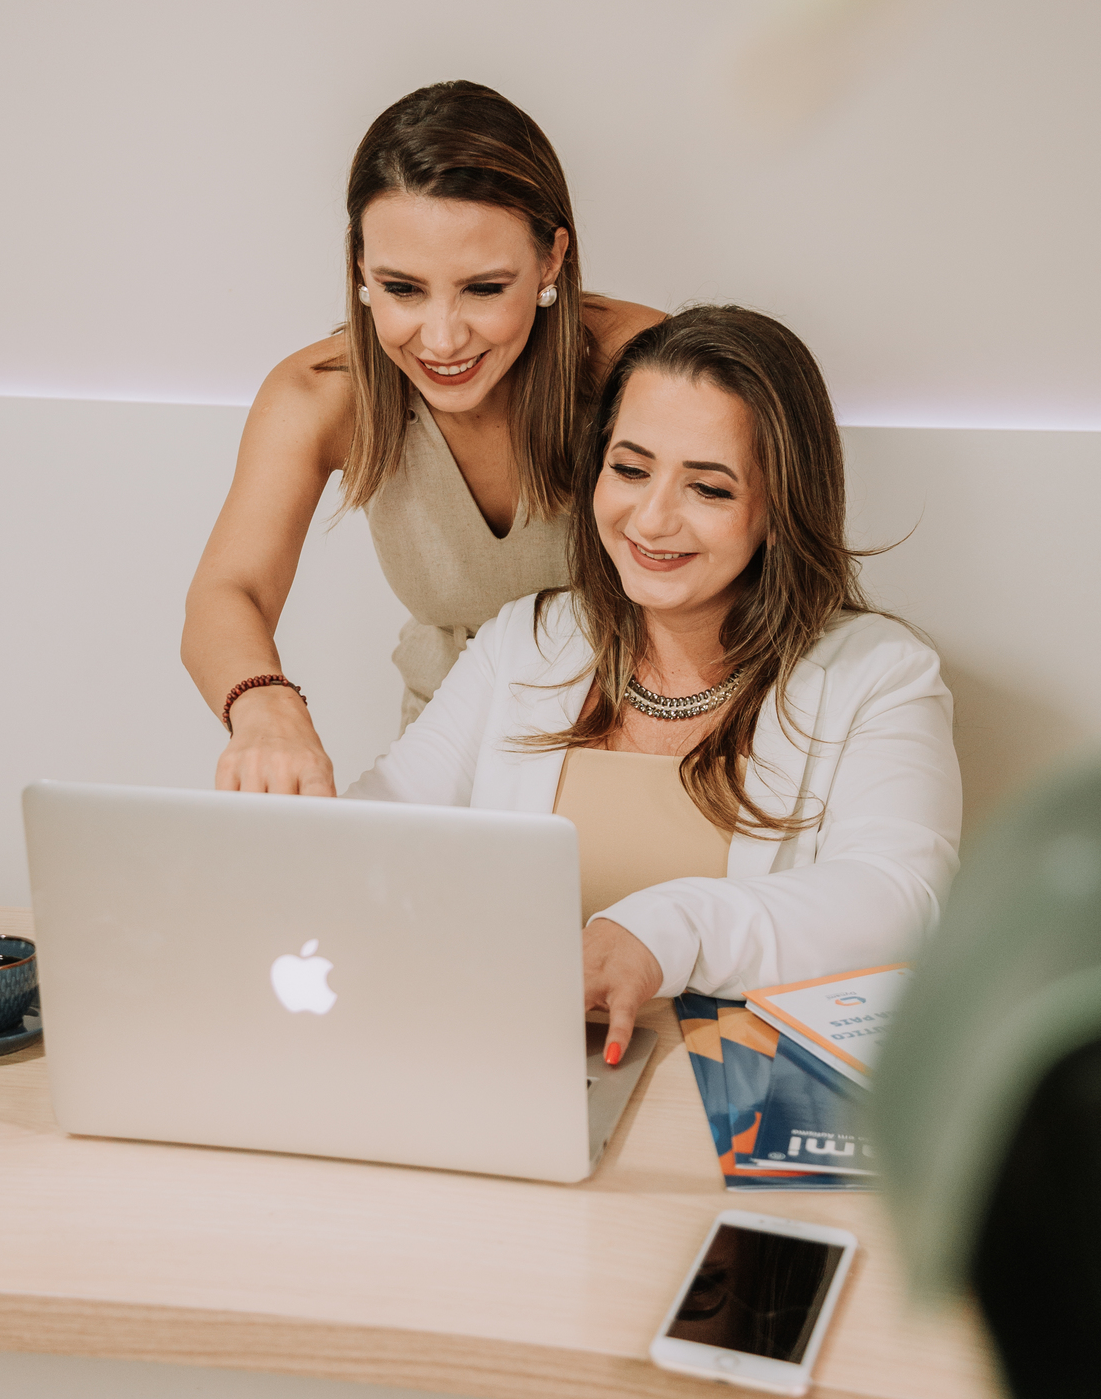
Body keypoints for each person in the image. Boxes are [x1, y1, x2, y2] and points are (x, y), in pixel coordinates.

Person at [343, 305, 963, 1062]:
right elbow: (378, 829)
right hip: (515, 1065)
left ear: (778, 509)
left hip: (724, 1094)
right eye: (630, 469)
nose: (651, 518)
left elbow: (899, 904)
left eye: (709, 488)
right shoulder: (527, 639)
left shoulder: (882, 673)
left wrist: (660, 930)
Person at [182, 81, 664, 793]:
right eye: (403, 288)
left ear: (552, 261)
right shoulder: (320, 393)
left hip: (638, 745)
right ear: (360, 268)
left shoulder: (646, 369)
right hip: (443, 754)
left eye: (483, 288)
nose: (441, 339)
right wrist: (265, 704)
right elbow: (230, 590)